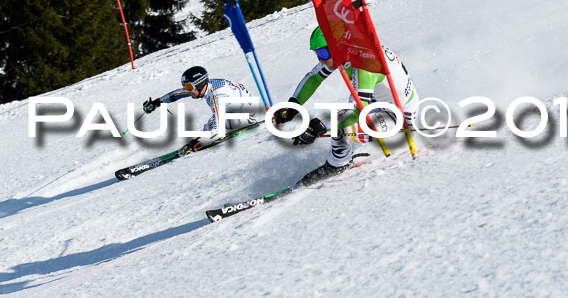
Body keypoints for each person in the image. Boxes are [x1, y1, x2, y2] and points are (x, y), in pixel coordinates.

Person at [275, 27, 420, 186]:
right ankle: (354, 151)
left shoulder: (364, 64)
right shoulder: (350, 50)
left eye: (323, 53)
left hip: (399, 117)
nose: (321, 59)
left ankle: (336, 166)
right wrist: (293, 105)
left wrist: (318, 127)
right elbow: (314, 78)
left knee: (342, 126)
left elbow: (356, 110)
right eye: (317, 54)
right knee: (341, 121)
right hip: (378, 104)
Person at [142, 66, 259, 154]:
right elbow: (178, 94)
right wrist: (157, 102)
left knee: (212, 128)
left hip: (249, 115)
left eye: (188, 87)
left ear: (199, 83)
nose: (187, 90)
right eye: (185, 87)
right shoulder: (207, 86)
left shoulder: (217, 96)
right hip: (241, 109)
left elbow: (217, 130)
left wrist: (196, 145)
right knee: (208, 127)